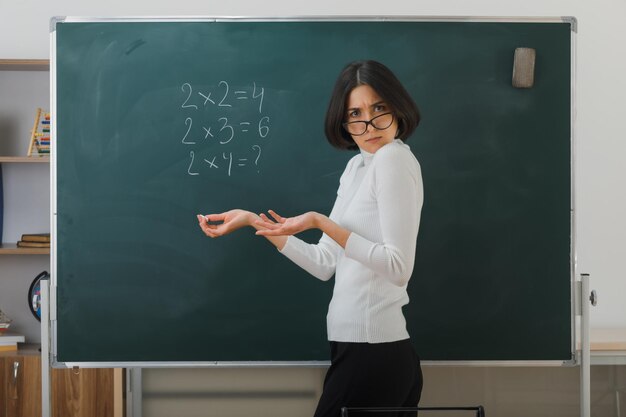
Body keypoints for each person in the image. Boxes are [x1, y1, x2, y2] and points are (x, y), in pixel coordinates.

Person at [197, 60, 424, 417]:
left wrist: (321, 221)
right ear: (343, 122)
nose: (369, 124)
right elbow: (324, 264)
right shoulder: (358, 167)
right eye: (355, 114)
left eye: (378, 108)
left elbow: (398, 268)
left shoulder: (393, 159)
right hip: (357, 349)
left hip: (374, 352)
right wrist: (254, 222)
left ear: (397, 106)